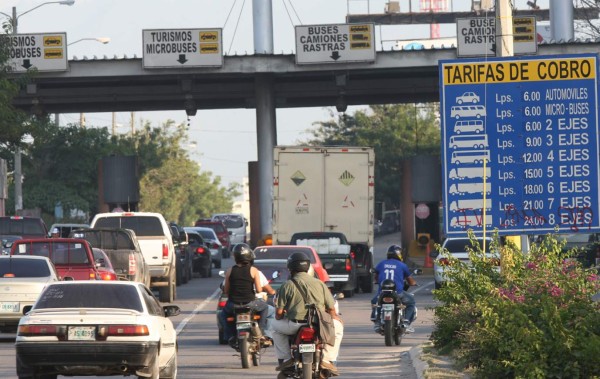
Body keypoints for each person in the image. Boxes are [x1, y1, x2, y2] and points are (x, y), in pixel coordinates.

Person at [273, 252, 343, 376]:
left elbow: (278, 314)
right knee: (337, 329)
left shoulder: (287, 285)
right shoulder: (320, 284)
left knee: (275, 329)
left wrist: (282, 315)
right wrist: (336, 319)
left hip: (295, 325)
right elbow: (331, 309)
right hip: (318, 325)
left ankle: (286, 359)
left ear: (290, 267)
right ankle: (327, 360)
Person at [220, 243, 271, 346]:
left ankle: (230, 336)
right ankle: (261, 333)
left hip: (233, 305)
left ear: (235, 256)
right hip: (250, 304)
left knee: (223, 314)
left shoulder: (230, 270)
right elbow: (259, 289)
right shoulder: (254, 270)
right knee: (265, 308)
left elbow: (226, 290)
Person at [371, 244, 417, 333]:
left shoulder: (381, 263)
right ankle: (406, 322)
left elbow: (376, 277)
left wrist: (377, 281)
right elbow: (410, 281)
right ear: (399, 254)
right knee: (411, 302)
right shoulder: (402, 265)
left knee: (375, 302)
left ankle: (377, 321)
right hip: (398, 292)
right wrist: (414, 283)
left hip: (382, 293)